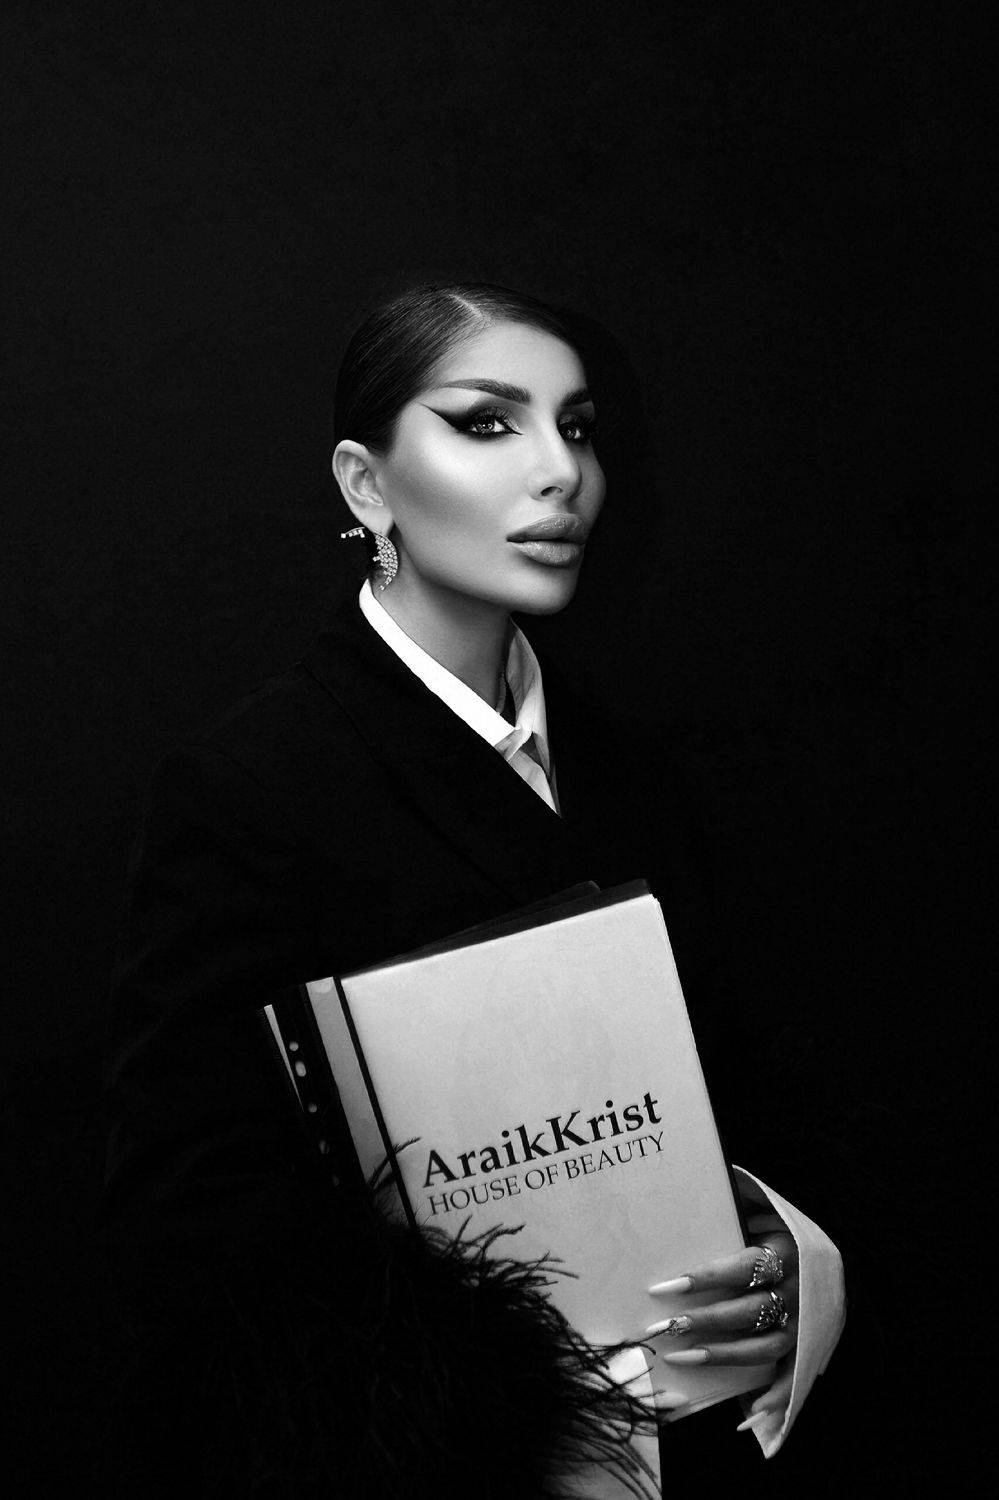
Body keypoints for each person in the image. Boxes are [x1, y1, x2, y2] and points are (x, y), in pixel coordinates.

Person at [102, 282, 844, 1498]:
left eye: (578, 426)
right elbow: (190, 1226)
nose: (562, 473)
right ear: (366, 484)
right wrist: (501, 1380)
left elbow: (776, 1095)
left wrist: (784, 1263)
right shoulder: (250, 791)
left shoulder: (648, 772)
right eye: (488, 422)